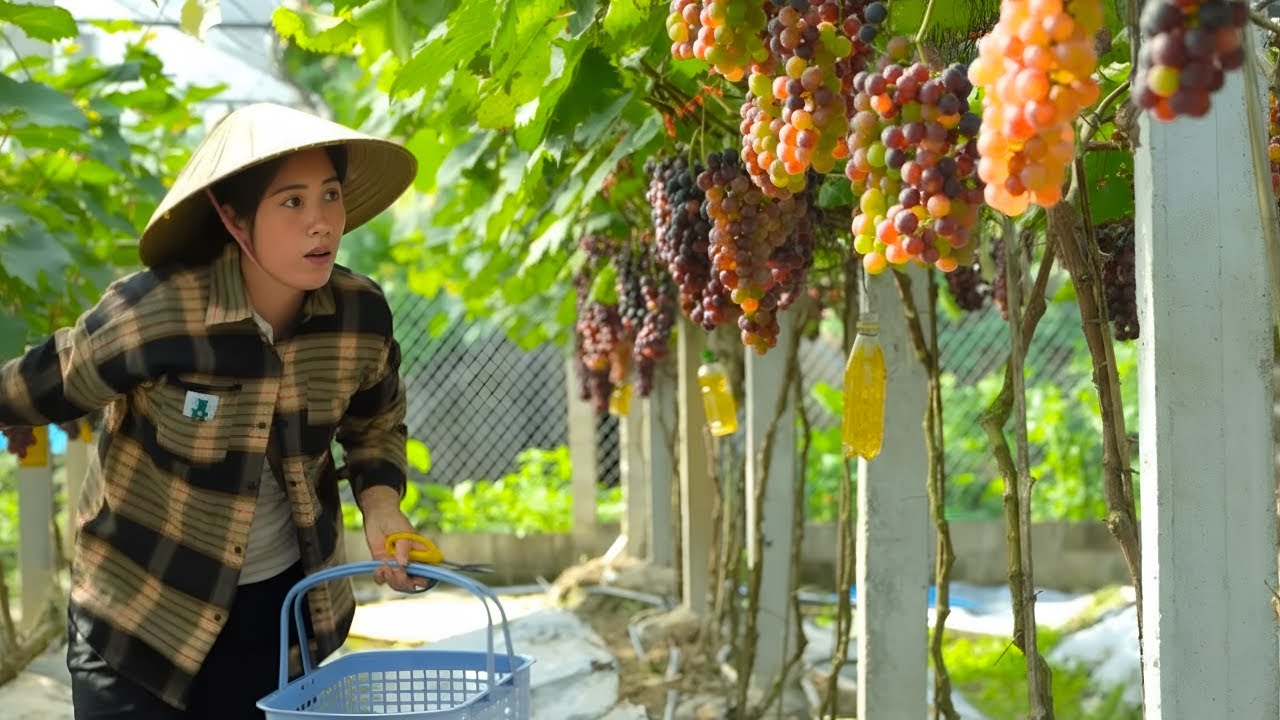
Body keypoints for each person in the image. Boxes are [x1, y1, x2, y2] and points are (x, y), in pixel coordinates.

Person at [0, 102, 428, 719]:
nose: (322, 223)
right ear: (234, 218)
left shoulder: (359, 318)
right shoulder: (157, 311)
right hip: (139, 614)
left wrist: (383, 507)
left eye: (330, 195)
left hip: (280, 621)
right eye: (292, 202)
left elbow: (376, 422)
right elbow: (38, 384)